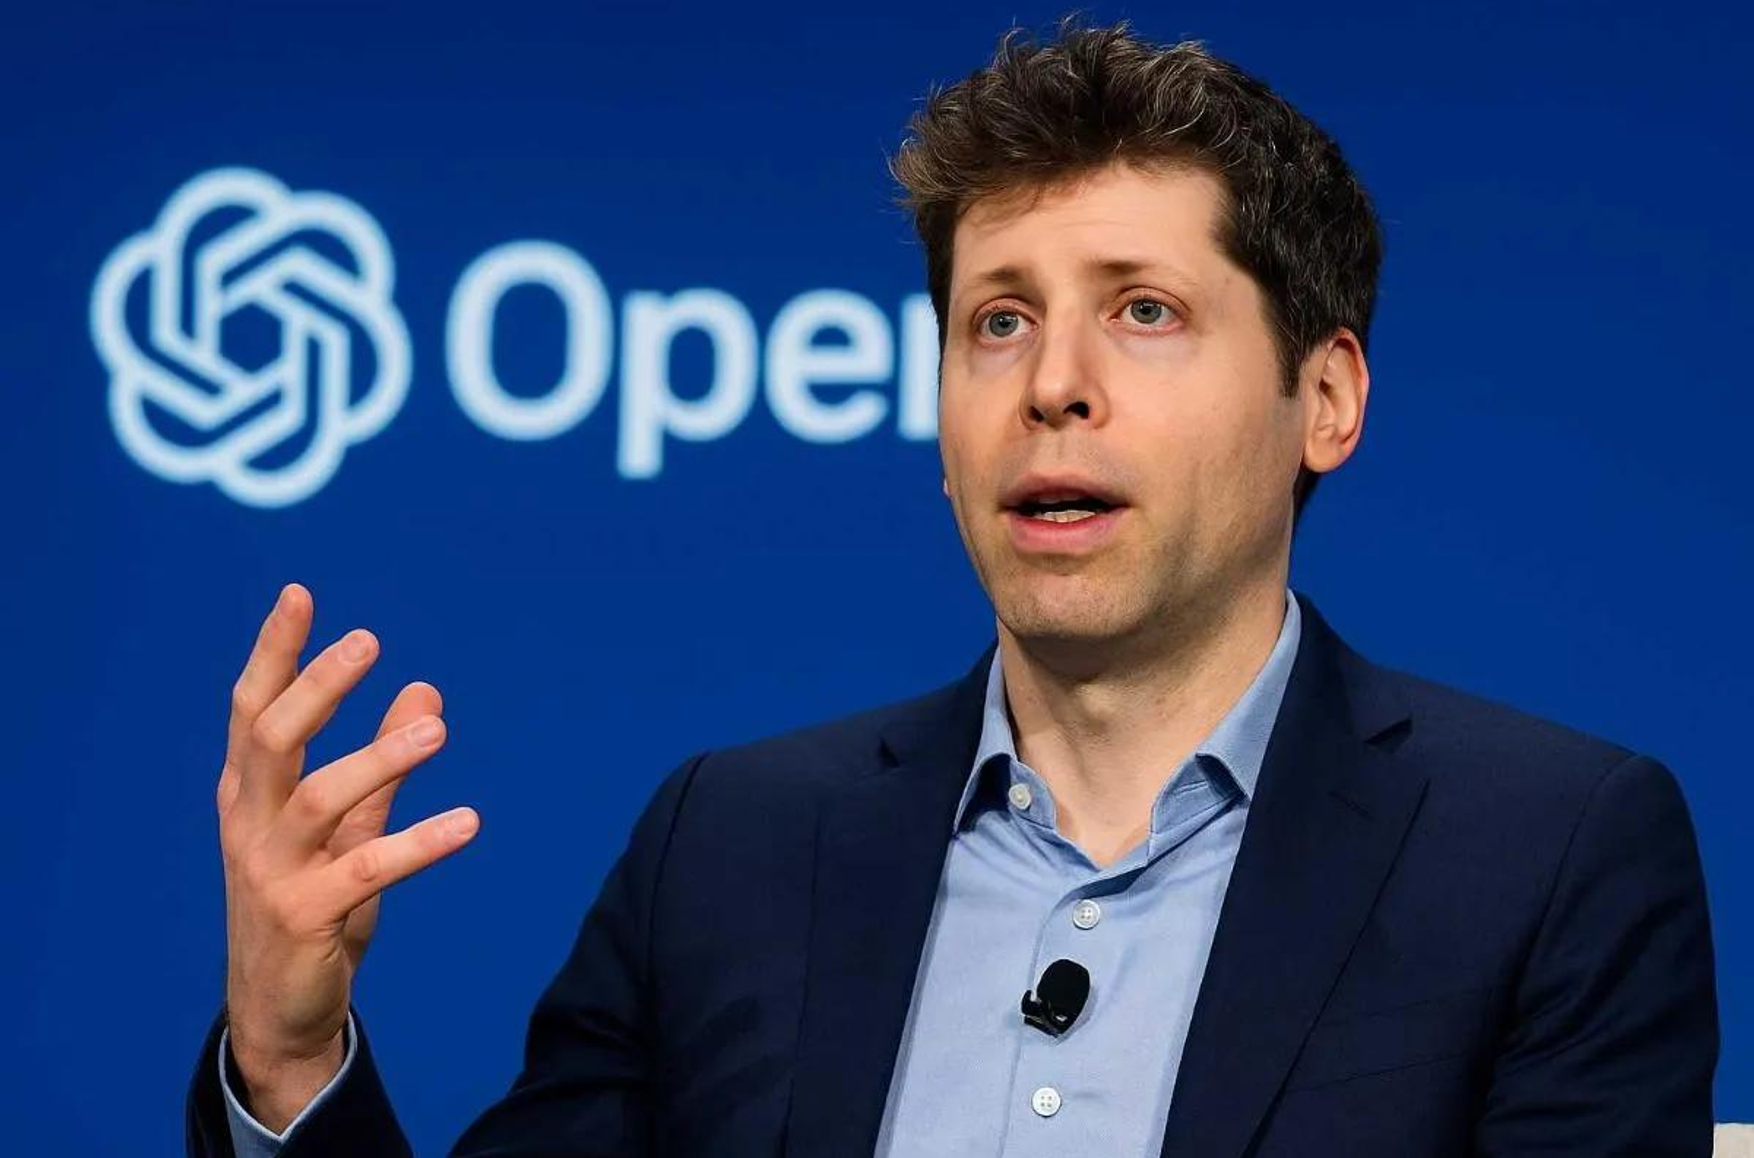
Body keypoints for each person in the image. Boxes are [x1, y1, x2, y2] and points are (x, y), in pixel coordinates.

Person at [185, 17, 1719, 1158]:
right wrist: (289, 1053)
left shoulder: (1547, 855)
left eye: (1142, 310)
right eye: (997, 321)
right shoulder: (728, 845)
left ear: (1322, 397)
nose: (1050, 383)